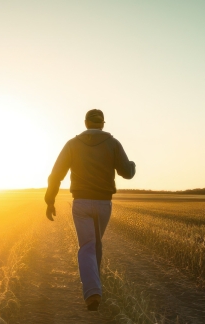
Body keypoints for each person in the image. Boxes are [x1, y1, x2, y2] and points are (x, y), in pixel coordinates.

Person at [44, 109, 136, 311]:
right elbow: (127, 173)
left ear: (85, 123)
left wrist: (50, 200)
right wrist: (132, 165)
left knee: (88, 246)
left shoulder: (72, 144)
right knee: (94, 245)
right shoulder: (113, 143)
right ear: (102, 124)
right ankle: (95, 289)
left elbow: (56, 174)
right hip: (103, 203)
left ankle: (93, 290)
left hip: (81, 203)